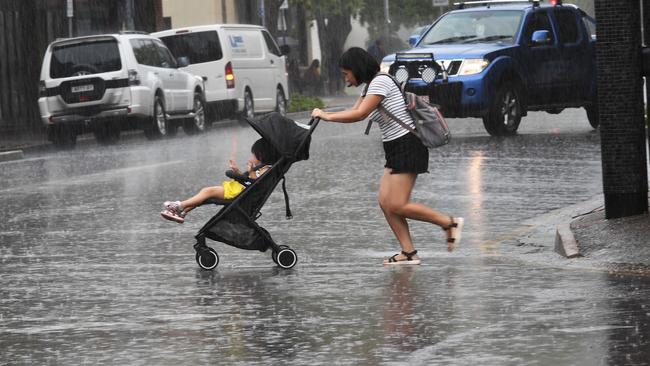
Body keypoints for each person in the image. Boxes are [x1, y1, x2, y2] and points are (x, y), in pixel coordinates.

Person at [311, 47, 464, 265]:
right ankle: (409, 253)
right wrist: (325, 114)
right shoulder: (370, 86)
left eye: (346, 73)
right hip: (394, 146)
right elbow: (354, 110)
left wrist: (325, 116)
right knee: (385, 201)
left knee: (398, 204)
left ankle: (448, 223)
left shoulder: (380, 82)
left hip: (408, 144)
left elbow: (359, 114)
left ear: (357, 69)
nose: (345, 78)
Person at [160, 138, 279, 224]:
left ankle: (179, 206)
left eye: (253, 155)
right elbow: (247, 180)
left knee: (208, 191)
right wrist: (237, 171)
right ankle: (182, 211)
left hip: (241, 195)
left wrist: (252, 171)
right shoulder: (261, 168)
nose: (251, 158)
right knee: (204, 196)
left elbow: (255, 185)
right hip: (239, 190)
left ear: (261, 156)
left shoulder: (266, 170)